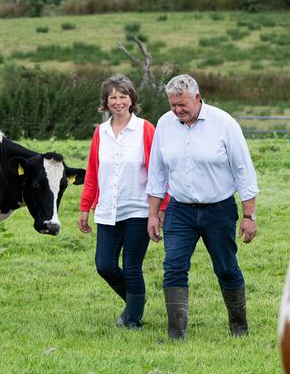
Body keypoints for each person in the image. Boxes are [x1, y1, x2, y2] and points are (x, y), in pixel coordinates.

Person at [146, 74, 258, 340]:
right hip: (180, 209)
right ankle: (176, 333)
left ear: (198, 98)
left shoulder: (224, 124)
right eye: (173, 105)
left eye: (182, 104)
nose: (177, 110)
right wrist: (153, 214)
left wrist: (249, 215)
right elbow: (157, 172)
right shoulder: (165, 124)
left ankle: (239, 327)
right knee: (173, 266)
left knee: (226, 266)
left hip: (218, 209)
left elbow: (244, 172)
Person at [78, 74, 165, 329]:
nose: (118, 102)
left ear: (131, 99)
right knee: (104, 265)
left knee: (131, 267)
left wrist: (159, 210)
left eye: (122, 96)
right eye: (112, 97)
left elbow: (158, 172)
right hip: (107, 210)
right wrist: (85, 207)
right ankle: (135, 302)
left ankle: (133, 319)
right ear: (105, 102)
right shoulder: (100, 132)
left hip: (139, 209)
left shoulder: (145, 129)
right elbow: (93, 172)